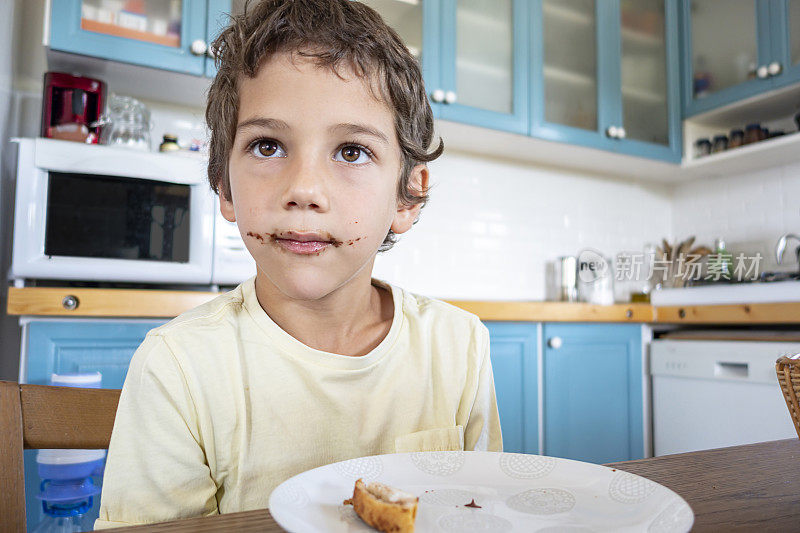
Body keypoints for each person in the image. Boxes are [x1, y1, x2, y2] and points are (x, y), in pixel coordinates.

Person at [95, 0, 502, 527]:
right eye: (267, 146)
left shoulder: (460, 347)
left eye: (352, 152)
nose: (304, 190)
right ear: (224, 186)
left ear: (408, 197)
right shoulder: (178, 367)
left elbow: (480, 517)